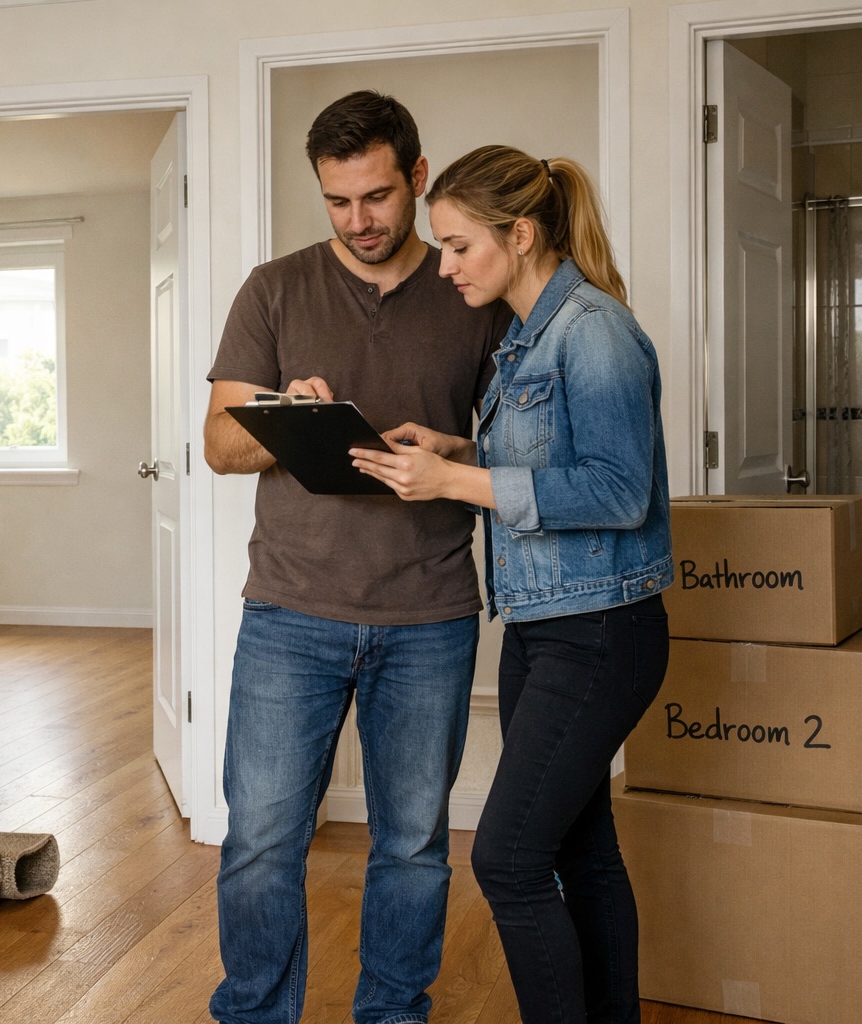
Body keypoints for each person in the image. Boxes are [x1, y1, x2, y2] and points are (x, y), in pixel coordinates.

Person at [204, 91, 511, 1024]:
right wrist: (283, 424)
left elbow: (522, 453)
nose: (358, 221)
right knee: (259, 839)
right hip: (290, 613)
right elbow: (219, 445)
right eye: (337, 201)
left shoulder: (473, 291)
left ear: (418, 179)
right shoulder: (274, 287)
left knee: (413, 842)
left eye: (376, 197)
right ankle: (256, 1014)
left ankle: (391, 1014)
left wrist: (453, 452)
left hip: (430, 616)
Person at [349, 145, 673, 1024]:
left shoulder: (593, 331)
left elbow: (617, 489)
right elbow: (554, 460)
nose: (444, 265)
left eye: (458, 247)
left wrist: (456, 485)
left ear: (520, 235)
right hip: (545, 626)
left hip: (600, 631)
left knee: (508, 859)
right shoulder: (529, 335)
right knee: (580, 849)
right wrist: (465, 452)